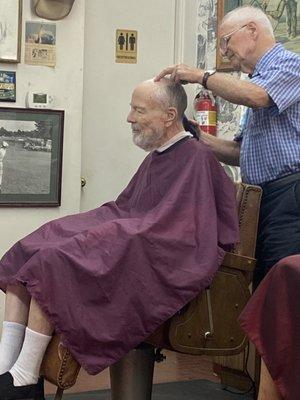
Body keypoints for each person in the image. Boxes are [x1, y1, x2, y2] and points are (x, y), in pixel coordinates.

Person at [0, 78, 239, 400]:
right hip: (137, 234)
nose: (129, 118)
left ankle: (24, 377)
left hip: (165, 254)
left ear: (169, 115)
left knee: (52, 262)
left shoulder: (195, 157)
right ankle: (6, 366)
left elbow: (180, 229)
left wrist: (112, 231)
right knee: (28, 249)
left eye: (138, 110)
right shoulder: (159, 156)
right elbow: (128, 208)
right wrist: (100, 225)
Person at [156, 5, 300, 400]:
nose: (226, 51)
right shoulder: (259, 80)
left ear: (252, 31)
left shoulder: (289, 66)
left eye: (227, 40)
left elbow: (258, 98)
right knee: (269, 301)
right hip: (264, 199)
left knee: (286, 300)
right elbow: (239, 153)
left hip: (291, 195)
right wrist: (189, 134)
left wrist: (200, 76)